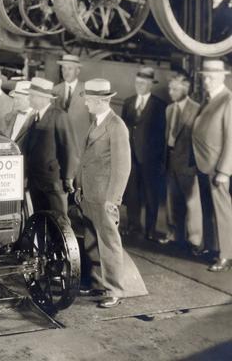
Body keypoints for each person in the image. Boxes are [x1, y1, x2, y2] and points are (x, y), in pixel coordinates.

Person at [76, 79, 147, 308]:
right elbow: (86, 160)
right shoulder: (96, 122)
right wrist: (79, 187)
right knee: (91, 242)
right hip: (89, 195)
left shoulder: (116, 126)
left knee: (109, 243)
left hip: (104, 197)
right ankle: (98, 284)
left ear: (100, 101)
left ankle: (116, 290)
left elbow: (122, 167)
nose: (86, 103)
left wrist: (113, 200)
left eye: (88, 100)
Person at [192, 59, 232, 272]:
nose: (206, 81)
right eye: (204, 77)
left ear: (222, 76)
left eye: (210, 77)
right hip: (203, 164)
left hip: (217, 168)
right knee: (207, 210)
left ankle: (226, 255)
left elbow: (231, 138)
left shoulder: (228, 100)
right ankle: (211, 247)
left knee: (222, 211)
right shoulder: (208, 99)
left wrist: (225, 171)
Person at [121, 66, 166, 240]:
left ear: (150, 85)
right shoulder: (128, 102)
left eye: (143, 83)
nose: (139, 85)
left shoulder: (160, 106)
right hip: (131, 157)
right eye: (137, 82)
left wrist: (160, 160)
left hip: (150, 160)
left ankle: (150, 230)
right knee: (132, 194)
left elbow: (162, 136)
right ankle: (133, 226)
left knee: (150, 195)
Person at [160, 73, 203, 254]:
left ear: (185, 90)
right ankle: (173, 234)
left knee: (192, 204)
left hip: (188, 165)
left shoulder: (197, 109)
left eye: (175, 89)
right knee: (171, 201)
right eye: (170, 88)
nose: (171, 92)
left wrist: (194, 165)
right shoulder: (169, 109)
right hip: (170, 162)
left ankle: (195, 241)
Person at [23, 77, 78, 217]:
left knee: (59, 222)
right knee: (40, 218)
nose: (29, 99)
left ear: (43, 98)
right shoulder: (34, 117)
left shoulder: (59, 116)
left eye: (32, 96)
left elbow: (69, 148)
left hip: (53, 181)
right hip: (36, 180)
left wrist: (68, 178)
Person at [53, 54, 91, 151]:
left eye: (70, 68)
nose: (66, 72)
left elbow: (95, 120)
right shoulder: (55, 90)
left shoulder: (87, 90)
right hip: (60, 145)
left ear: (77, 71)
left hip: (80, 146)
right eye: (63, 68)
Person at [0, 80, 35, 149]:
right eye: (14, 98)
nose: (15, 101)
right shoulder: (5, 118)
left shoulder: (38, 121)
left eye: (18, 99)